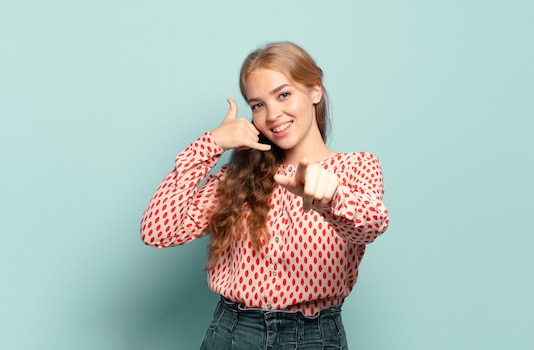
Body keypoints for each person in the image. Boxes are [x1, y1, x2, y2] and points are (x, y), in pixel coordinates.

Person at [140, 41, 390, 349]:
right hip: (233, 333)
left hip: (314, 338)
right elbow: (157, 231)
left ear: (314, 91)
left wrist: (332, 197)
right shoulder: (238, 177)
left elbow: (371, 225)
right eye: (258, 105)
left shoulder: (355, 166)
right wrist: (211, 144)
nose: (272, 115)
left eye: (283, 95)